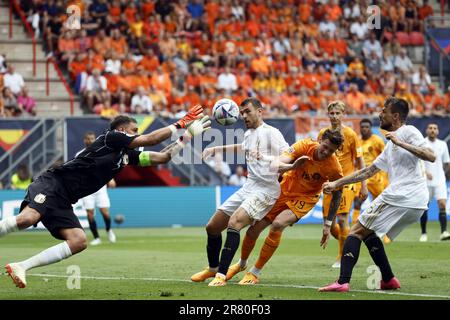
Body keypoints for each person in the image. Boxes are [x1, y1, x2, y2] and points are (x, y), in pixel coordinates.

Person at [0, 106, 210, 288]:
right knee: (27, 219)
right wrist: (182, 122)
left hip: (65, 199)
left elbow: (162, 157)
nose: (136, 135)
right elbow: (150, 139)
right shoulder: (111, 138)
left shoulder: (127, 156)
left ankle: (22, 266)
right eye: (134, 131)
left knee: (78, 241)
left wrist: (187, 137)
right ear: (121, 130)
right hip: (53, 183)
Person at [319, 97, 436, 293]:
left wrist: (401, 142)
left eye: (384, 111)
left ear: (396, 116)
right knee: (368, 233)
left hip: (402, 196)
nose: (380, 114)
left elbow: (430, 155)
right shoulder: (390, 142)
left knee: (355, 231)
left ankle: (342, 282)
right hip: (413, 201)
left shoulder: (407, 132)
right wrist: (337, 183)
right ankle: (388, 279)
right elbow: (367, 171)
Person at [190, 98, 289, 286]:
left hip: (266, 190)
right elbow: (243, 148)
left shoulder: (272, 133)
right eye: (242, 112)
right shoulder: (249, 133)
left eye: (247, 111)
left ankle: (221, 276)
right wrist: (216, 148)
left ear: (260, 111)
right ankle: (212, 268)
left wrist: (275, 164)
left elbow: (288, 154)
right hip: (249, 186)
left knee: (234, 222)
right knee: (212, 227)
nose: (243, 116)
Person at [226, 130, 345, 285]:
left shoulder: (334, 167)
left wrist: (328, 225)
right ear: (320, 140)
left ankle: (255, 272)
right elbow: (279, 162)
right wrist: (292, 165)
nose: (326, 152)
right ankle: (241, 264)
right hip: (284, 189)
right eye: (325, 146)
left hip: (305, 198)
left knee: (277, 224)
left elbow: (337, 194)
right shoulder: (303, 145)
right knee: (254, 229)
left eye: (331, 151)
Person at [318, 101, 368, 268]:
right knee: (330, 226)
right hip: (328, 183)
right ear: (328, 115)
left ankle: (341, 257)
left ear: (343, 114)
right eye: (332, 113)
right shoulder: (322, 134)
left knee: (342, 220)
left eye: (337, 113)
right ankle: (351, 242)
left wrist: (364, 185)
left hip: (346, 182)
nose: (334, 116)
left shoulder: (351, 134)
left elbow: (360, 162)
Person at [76, 131, 117, 246]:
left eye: (92, 138)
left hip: (100, 188)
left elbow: (106, 168)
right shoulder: (80, 154)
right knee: (90, 214)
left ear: (95, 139)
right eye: (88, 138)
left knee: (105, 213)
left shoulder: (101, 152)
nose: (90, 141)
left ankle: (109, 231)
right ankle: (97, 237)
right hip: (87, 189)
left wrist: (110, 179)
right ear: (84, 140)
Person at [352, 119, 387, 224]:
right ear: (360, 128)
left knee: (380, 204)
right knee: (357, 201)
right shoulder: (357, 141)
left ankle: (383, 230)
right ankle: (354, 227)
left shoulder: (377, 140)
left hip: (376, 176)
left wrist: (385, 175)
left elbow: (386, 156)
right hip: (362, 176)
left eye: (367, 127)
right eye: (362, 127)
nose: (364, 129)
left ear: (370, 128)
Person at [420, 123, 450, 242]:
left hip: (440, 181)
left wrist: (442, 173)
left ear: (438, 131)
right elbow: (417, 161)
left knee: (442, 204)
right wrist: (425, 172)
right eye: (430, 128)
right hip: (425, 181)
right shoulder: (422, 143)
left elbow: (447, 162)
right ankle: (423, 233)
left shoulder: (442, 144)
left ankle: (443, 232)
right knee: (424, 207)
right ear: (426, 130)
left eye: (435, 128)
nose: (433, 130)